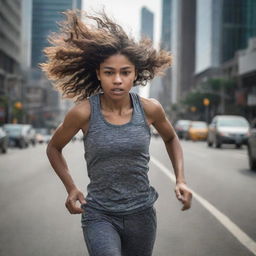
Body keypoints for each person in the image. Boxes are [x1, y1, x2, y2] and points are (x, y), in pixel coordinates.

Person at [42, 10, 192, 256]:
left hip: (142, 214)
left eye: (125, 72)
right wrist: (71, 187)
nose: (118, 80)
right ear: (99, 74)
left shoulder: (150, 109)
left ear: (135, 74)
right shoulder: (83, 113)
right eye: (109, 72)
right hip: (100, 214)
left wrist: (181, 179)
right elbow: (53, 147)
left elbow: (171, 138)